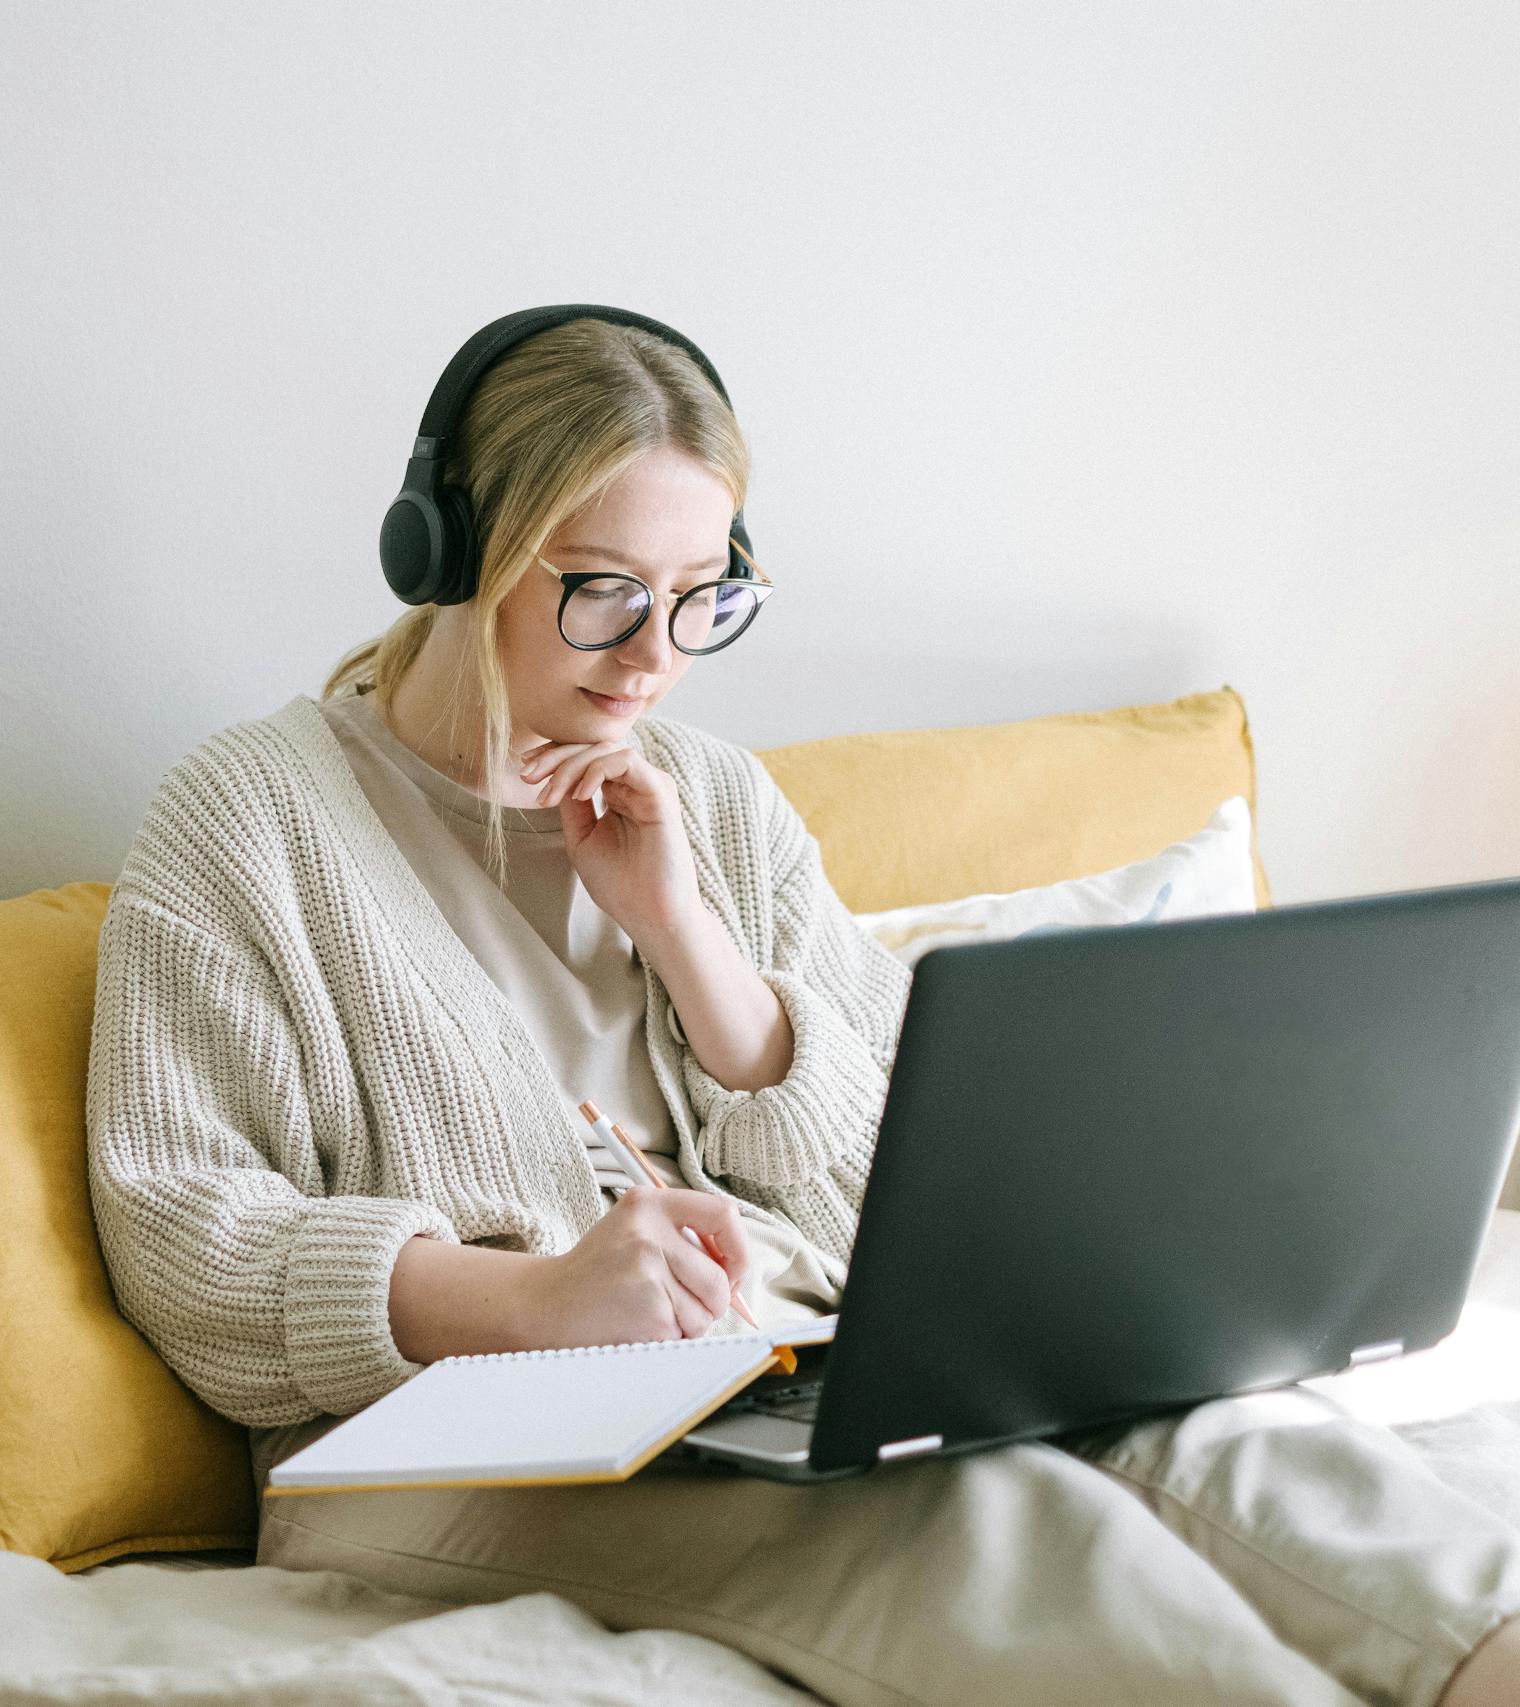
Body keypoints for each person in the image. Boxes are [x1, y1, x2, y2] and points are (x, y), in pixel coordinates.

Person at [83, 313, 1520, 1706]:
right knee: (1001, 1534)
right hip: (434, 1449)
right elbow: (186, 1237)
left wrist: (688, 936)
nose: (655, 656)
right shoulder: (248, 820)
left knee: (1246, 1447)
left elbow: (910, 1166)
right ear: (454, 557)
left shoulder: (711, 797)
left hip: (787, 1370)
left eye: (700, 596)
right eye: (601, 590)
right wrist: (531, 1302)